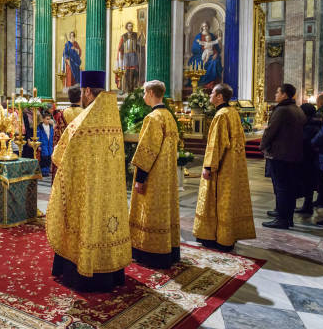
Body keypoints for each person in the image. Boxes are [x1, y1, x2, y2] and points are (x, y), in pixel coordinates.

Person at [48, 70, 131, 292]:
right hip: (109, 188)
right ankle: (112, 271)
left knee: (85, 221)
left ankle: (85, 274)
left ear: (86, 91)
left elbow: (59, 154)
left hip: (87, 189)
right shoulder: (113, 116)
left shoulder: (84, 120)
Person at [193, 83, 256, 252]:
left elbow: (217, 144)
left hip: (221, 166)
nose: (210, 96)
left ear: (220, 96)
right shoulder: (233, 112)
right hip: (233, 165)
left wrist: (208, 166)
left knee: (217, 200)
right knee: (227, 201)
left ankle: (216, 238)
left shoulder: (221, 115)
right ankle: (227, 236)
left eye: (212, 93)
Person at [130, 80, 180, 269]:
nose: (143, 96)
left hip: (153, 176)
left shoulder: (153, 118)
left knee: (150, 213)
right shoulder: (169, 117)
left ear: (151, 93)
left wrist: (140, 178)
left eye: (144, 92)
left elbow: (147, 151)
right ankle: (169, 251)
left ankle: (149, 253)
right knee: (164, 212)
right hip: (167, 176)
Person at [261, 84, 307, 229]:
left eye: (277, 92)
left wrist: (262, 146)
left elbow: (271, 131)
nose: (275, 95)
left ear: (285, 95)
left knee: (281, 188)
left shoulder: (282, 110)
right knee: (289, 188)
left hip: (280, 155)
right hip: (294, 155)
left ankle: (281, 219)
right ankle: (287, 218)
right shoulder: (297, 109)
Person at [295, 103, 321, 215]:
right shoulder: (314, 123)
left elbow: (305, 141)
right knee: (308, 184)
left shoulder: (310, 126)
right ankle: (307, 205)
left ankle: (307, 206)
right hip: (310, 158)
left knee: (308, 183)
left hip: (308, 159)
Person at [38, 112, 54, 177]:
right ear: (43, 119)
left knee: (49, 157)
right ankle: (43, 171)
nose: (48, 121)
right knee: (43, 158)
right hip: (43, 144)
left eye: (49, 119)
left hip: (49, 144)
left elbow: (52, 135)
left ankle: (47, 171)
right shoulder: (40, 127)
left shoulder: (51, 127)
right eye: (47, 119)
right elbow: (38, 136)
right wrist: (39, 145)